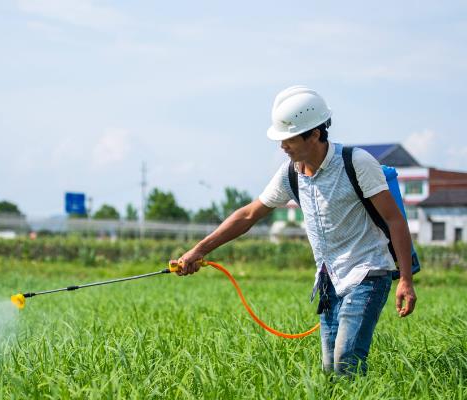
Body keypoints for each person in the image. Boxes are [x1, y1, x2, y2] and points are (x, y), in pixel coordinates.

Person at [174, 85, 417, 375]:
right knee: (330, 371)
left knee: (345, 364)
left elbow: (394, 221)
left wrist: (405, 279)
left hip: (368, 272)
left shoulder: (357, 163)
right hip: (330, 280)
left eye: (288, 138)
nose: (282, 146)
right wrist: (198, 250)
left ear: (314, 134)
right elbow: (249, 215)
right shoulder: (290, 174)